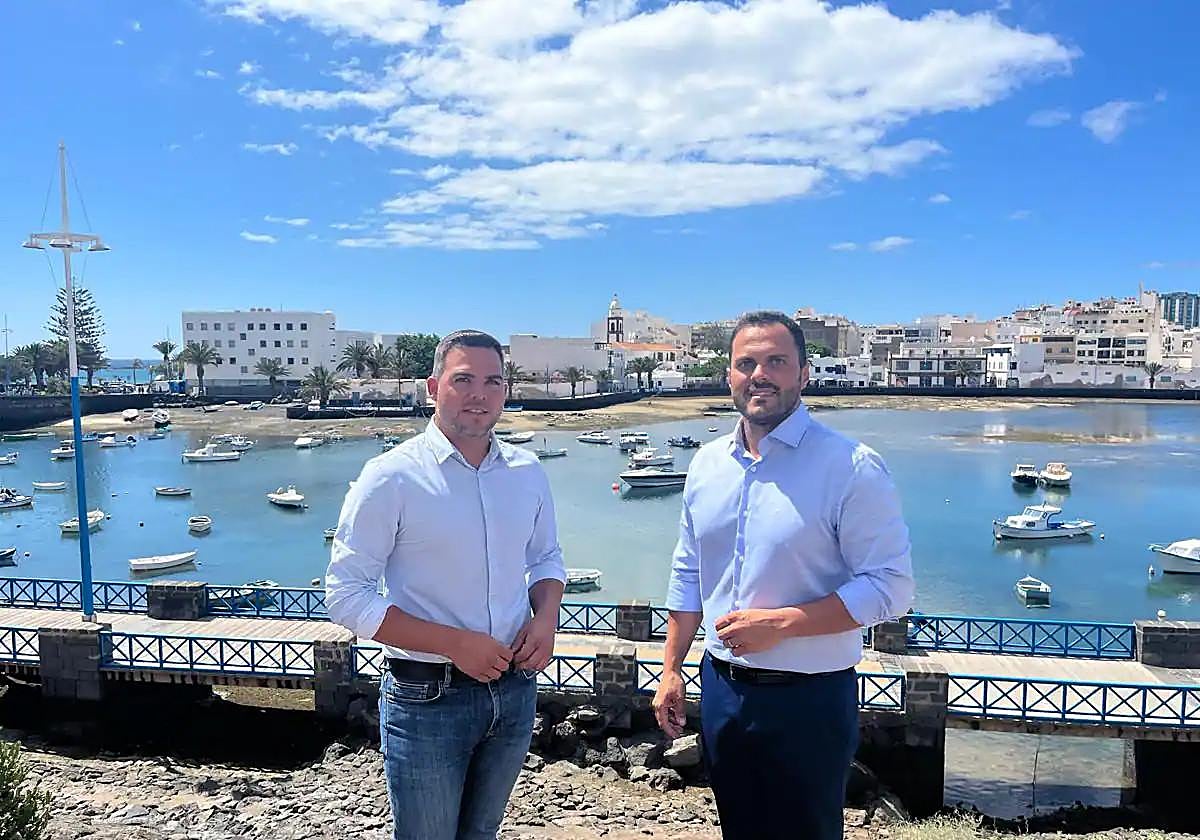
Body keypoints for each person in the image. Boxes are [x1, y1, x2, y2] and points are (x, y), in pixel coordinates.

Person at [653, 311, 914, 840]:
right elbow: (688, 572)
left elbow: (892, 585)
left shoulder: (851, 466)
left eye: (776, 361)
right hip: (722, 690)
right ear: (728, 375)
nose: (760, 375)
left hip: (810, 699)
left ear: (804, 373)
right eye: (746, 363)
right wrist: (672, 668)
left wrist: (785, 624)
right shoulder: (705, 465)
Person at [325, 329, 566, 840]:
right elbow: (347, 595)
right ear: (433, 388)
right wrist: (455, 644)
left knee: (482, 833)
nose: (479, 393)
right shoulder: (390, 477)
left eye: (492, 381)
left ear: (505, 390)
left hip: (516, 687)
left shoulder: (527, 470)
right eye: (463, 380)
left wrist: (546, 620)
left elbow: (546, 556)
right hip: (427, 697)